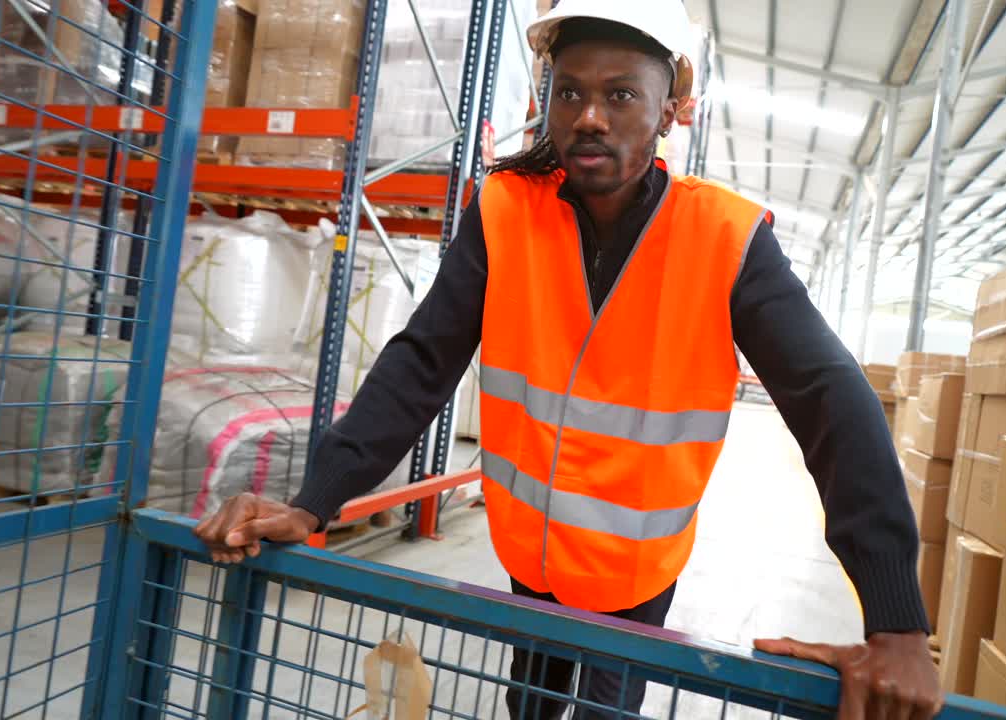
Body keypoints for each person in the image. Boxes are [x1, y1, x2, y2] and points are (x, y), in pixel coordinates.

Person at [194, 1, 942, 718]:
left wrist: (896, 624)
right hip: (530, 557)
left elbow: (831, 398)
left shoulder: (726, 241)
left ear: (671, 106)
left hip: (633, 574)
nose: (590, 116)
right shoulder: (505, 212)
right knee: (533, 701)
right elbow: (422, 361)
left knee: (604, 711)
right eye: (571, 93)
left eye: (621, 94)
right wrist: (313, 498)